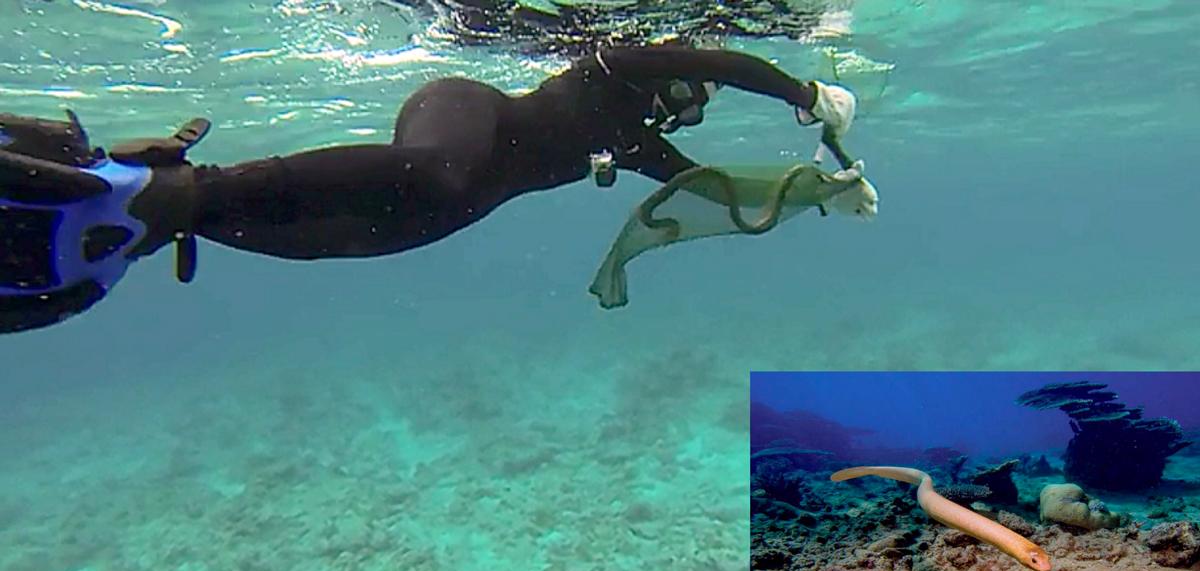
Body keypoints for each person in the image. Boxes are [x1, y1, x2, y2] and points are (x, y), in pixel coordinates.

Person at [0, 44, 858, 334]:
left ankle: (168, 216)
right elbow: (720, 60)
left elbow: (705, 188)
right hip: (460, 109)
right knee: (437, 179)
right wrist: (805, 95)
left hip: (470, 189)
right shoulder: (614, 66)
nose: (688, 106)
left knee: (393, 231)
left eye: (694, 109)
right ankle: (188, 191)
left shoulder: (634, 141)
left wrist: (819, 190)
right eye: (689, 98)